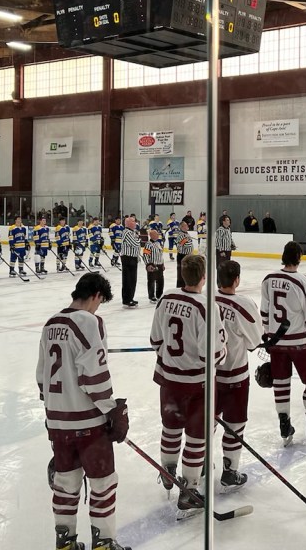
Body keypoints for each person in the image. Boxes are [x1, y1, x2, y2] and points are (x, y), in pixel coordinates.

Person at [38, 273, 130, 550]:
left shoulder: (51, 323)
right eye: (100, 302)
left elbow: (42, 375)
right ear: (96, 296)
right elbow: (93, 375)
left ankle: (65, 542)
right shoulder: (89, 321)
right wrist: (111, 410)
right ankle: (103, 541)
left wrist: (55, 410)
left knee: (65, 483)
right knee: (103, 483)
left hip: (57, 421)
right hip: (88, 422)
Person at [149, 255, 225, 517]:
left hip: (169, 380)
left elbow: (155, 340)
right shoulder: (206, 306)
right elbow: (212, 354)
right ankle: (190, 491)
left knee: (170, 427)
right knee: (197, 436)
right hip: (197, 384)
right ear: (204, 277)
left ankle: (168, 471)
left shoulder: (166, 298)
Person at [260, 241, 306, 446]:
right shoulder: (305, 282)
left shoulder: (268, 279)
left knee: (281, 382)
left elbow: (264, 312)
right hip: (300, 342)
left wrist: (269, 334)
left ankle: (284, 425)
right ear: (299, 258)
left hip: (276, 341)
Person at [215, 260, 263, 491]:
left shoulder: (205, 300)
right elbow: (254, 342)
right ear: (237, 280)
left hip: (208, 376)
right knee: (235, 424)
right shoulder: (244, 304)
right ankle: (229, 470)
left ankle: (199, 466)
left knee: (206, 422)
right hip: (235, 375)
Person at [119, 217, 140, 308]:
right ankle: (127, 299)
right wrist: (139, 239)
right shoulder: (127, 232)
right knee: (128, 280)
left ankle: (130, 297)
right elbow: (135, 243)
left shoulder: (132, 232)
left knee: (133, 279)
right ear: (128, 223)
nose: (135, 223)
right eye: (133, 221)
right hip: (128, 258)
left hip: (132, 258)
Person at [143, 228, 165, 303]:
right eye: (156, 234)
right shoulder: (148, 244)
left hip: (160, 265)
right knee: (151, 281)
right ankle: (151, 296)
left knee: (160, 281)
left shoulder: (158, 243)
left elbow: (160, 255)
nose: (158, 235)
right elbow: (145, 255)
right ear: (151, 235)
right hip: (153, 265)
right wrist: (148, 265)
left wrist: (163, 264)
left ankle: (159, 295)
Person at [174, 218, 194, 288]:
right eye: (185, 225)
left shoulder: (186, 234)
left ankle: (186, 286)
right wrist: (189, 241)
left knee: (187, 273)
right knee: (181, 273)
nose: (187, 226)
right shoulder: (181, 235)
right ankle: (180, 287)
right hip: (182, 256)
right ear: (182, 227)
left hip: (187, 256)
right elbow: (186, 245)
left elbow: (189, 243)